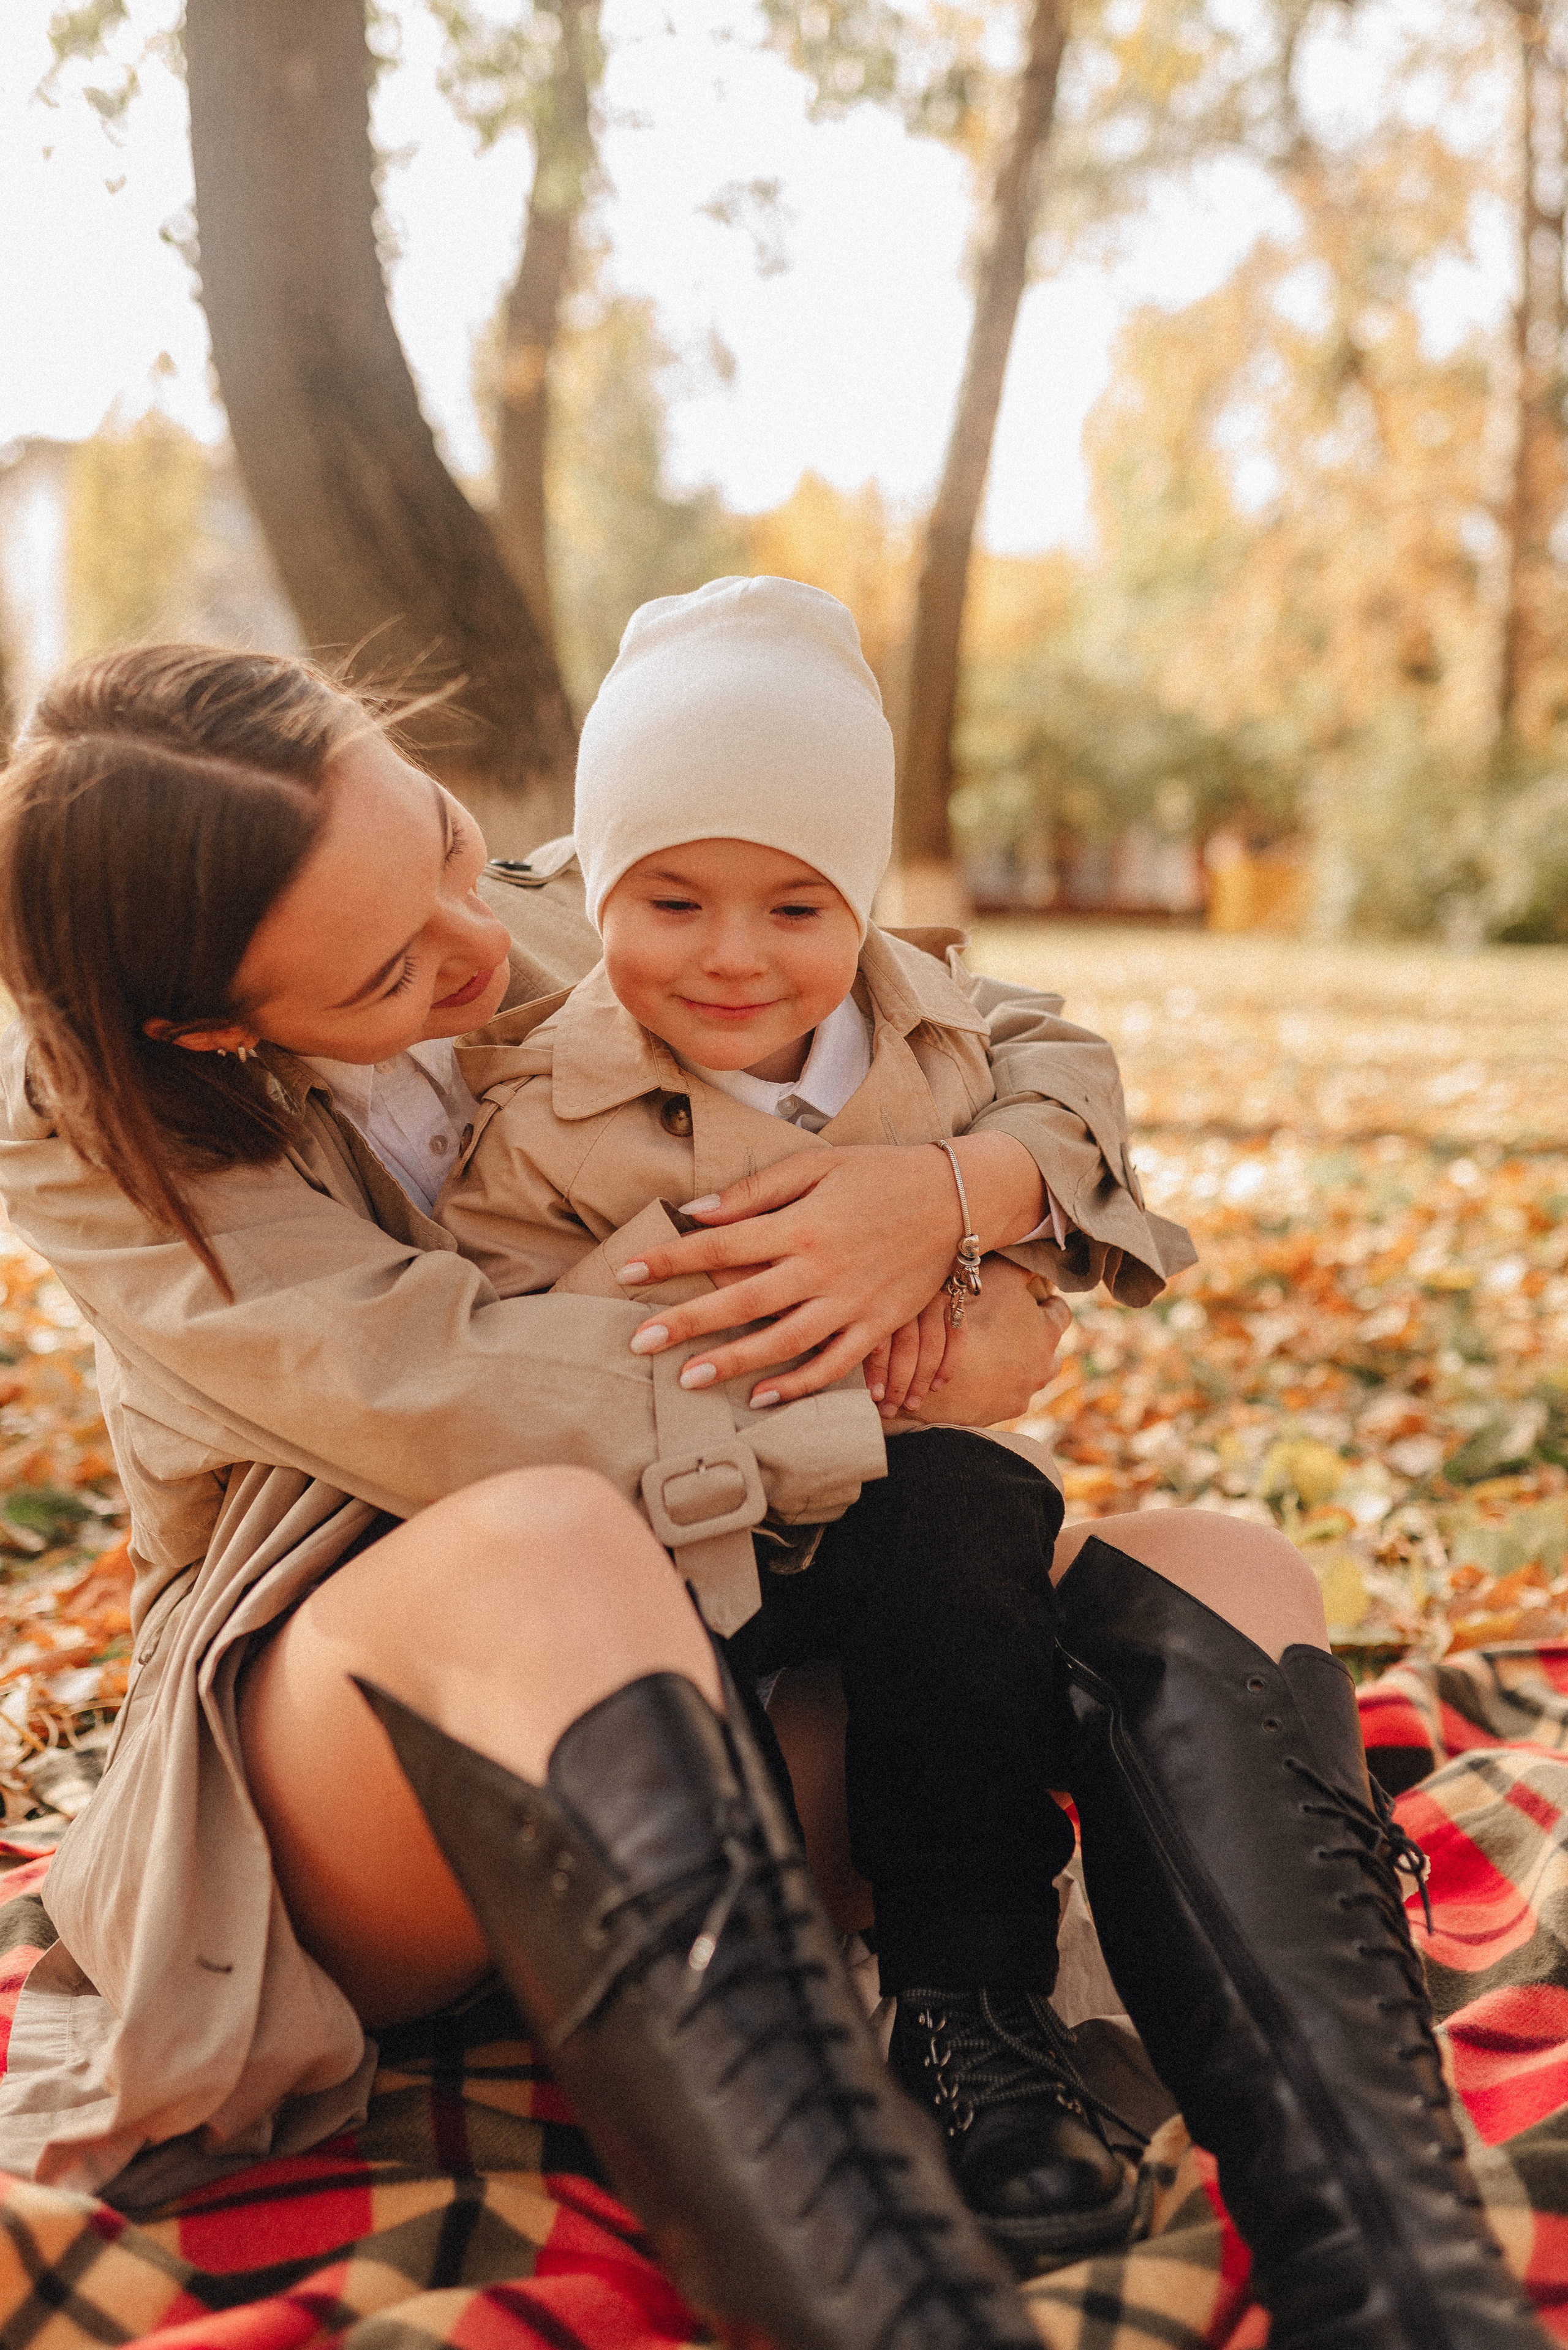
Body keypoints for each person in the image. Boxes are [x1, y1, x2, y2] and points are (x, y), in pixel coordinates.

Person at [0, 644, 1544, 2350]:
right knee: (542, 1539)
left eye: (446, 841)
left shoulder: (605, 904)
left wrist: (957, 1189)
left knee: (1224, 1569)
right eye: (385, 968)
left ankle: (1407, 2282)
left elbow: (1011, 1028)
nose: (477, 939)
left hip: (731, 1685)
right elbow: (459, 1408)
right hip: (370, 1792)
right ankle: (886, 2318)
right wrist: (915, 1367)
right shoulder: (88, 1127)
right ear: (214, 1023)